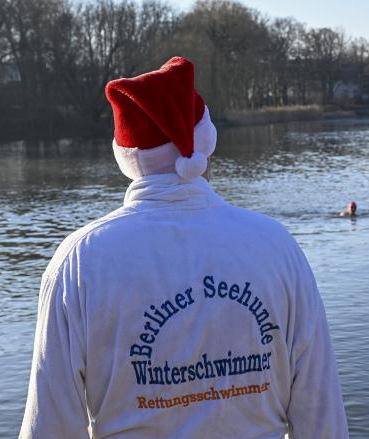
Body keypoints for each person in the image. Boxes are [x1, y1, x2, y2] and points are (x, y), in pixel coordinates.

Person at [19, 57, 348, 439]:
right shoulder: (276, 246)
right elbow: (322, 418)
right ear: (205, 143)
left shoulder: (80, 262)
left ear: (127, 159)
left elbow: (49, 427)